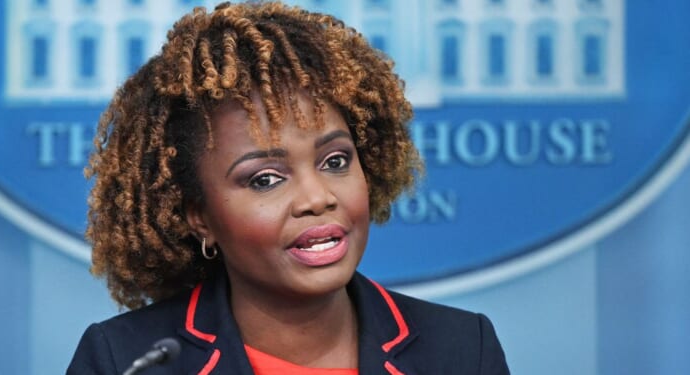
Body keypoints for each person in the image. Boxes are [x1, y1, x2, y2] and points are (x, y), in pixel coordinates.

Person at [67, 1, 509, 374]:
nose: (318, 198)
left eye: (335, 161)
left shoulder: (462, 351)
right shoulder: (128, 360)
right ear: (198, 216)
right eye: (265, 179)